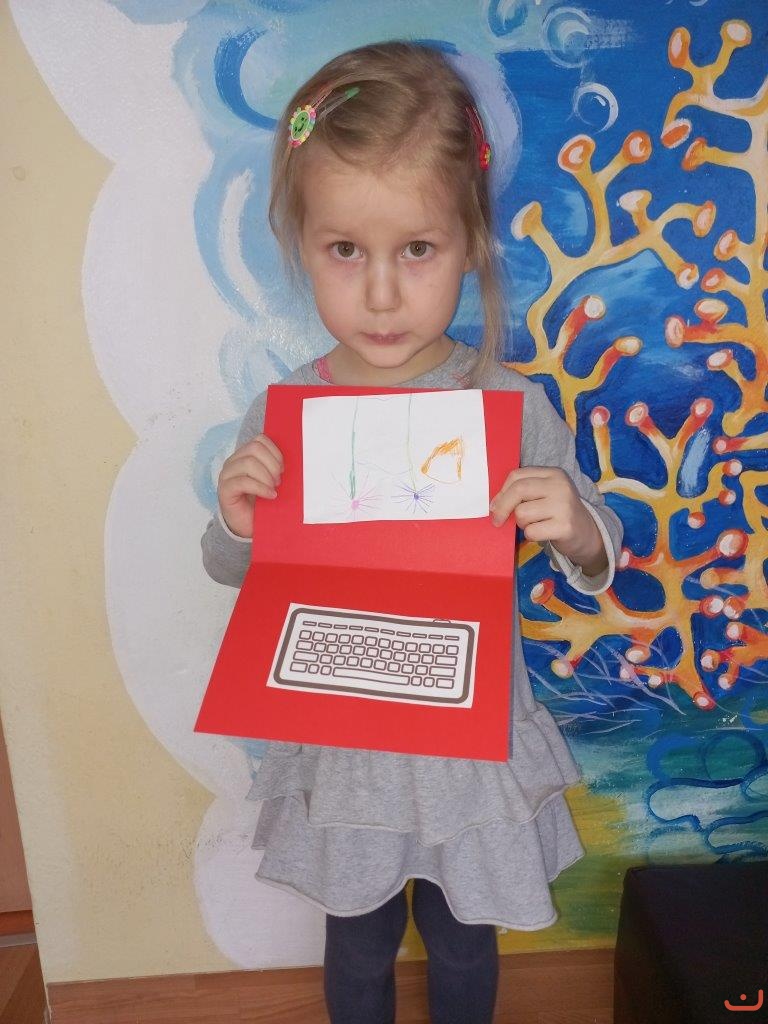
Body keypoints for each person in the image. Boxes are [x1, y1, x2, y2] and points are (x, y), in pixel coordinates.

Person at [201, 40, 623, 1024]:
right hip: (348, 750)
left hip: (465, 752)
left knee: (465, 936)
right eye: (346, 250)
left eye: (418, 250)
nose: (382, 294)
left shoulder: (509, 404)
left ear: (470, 243)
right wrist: (235, 520)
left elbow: (597, 553)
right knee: (355, 941)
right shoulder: (287, 412)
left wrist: (576, 528)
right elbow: (233, 568)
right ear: (300, 245)